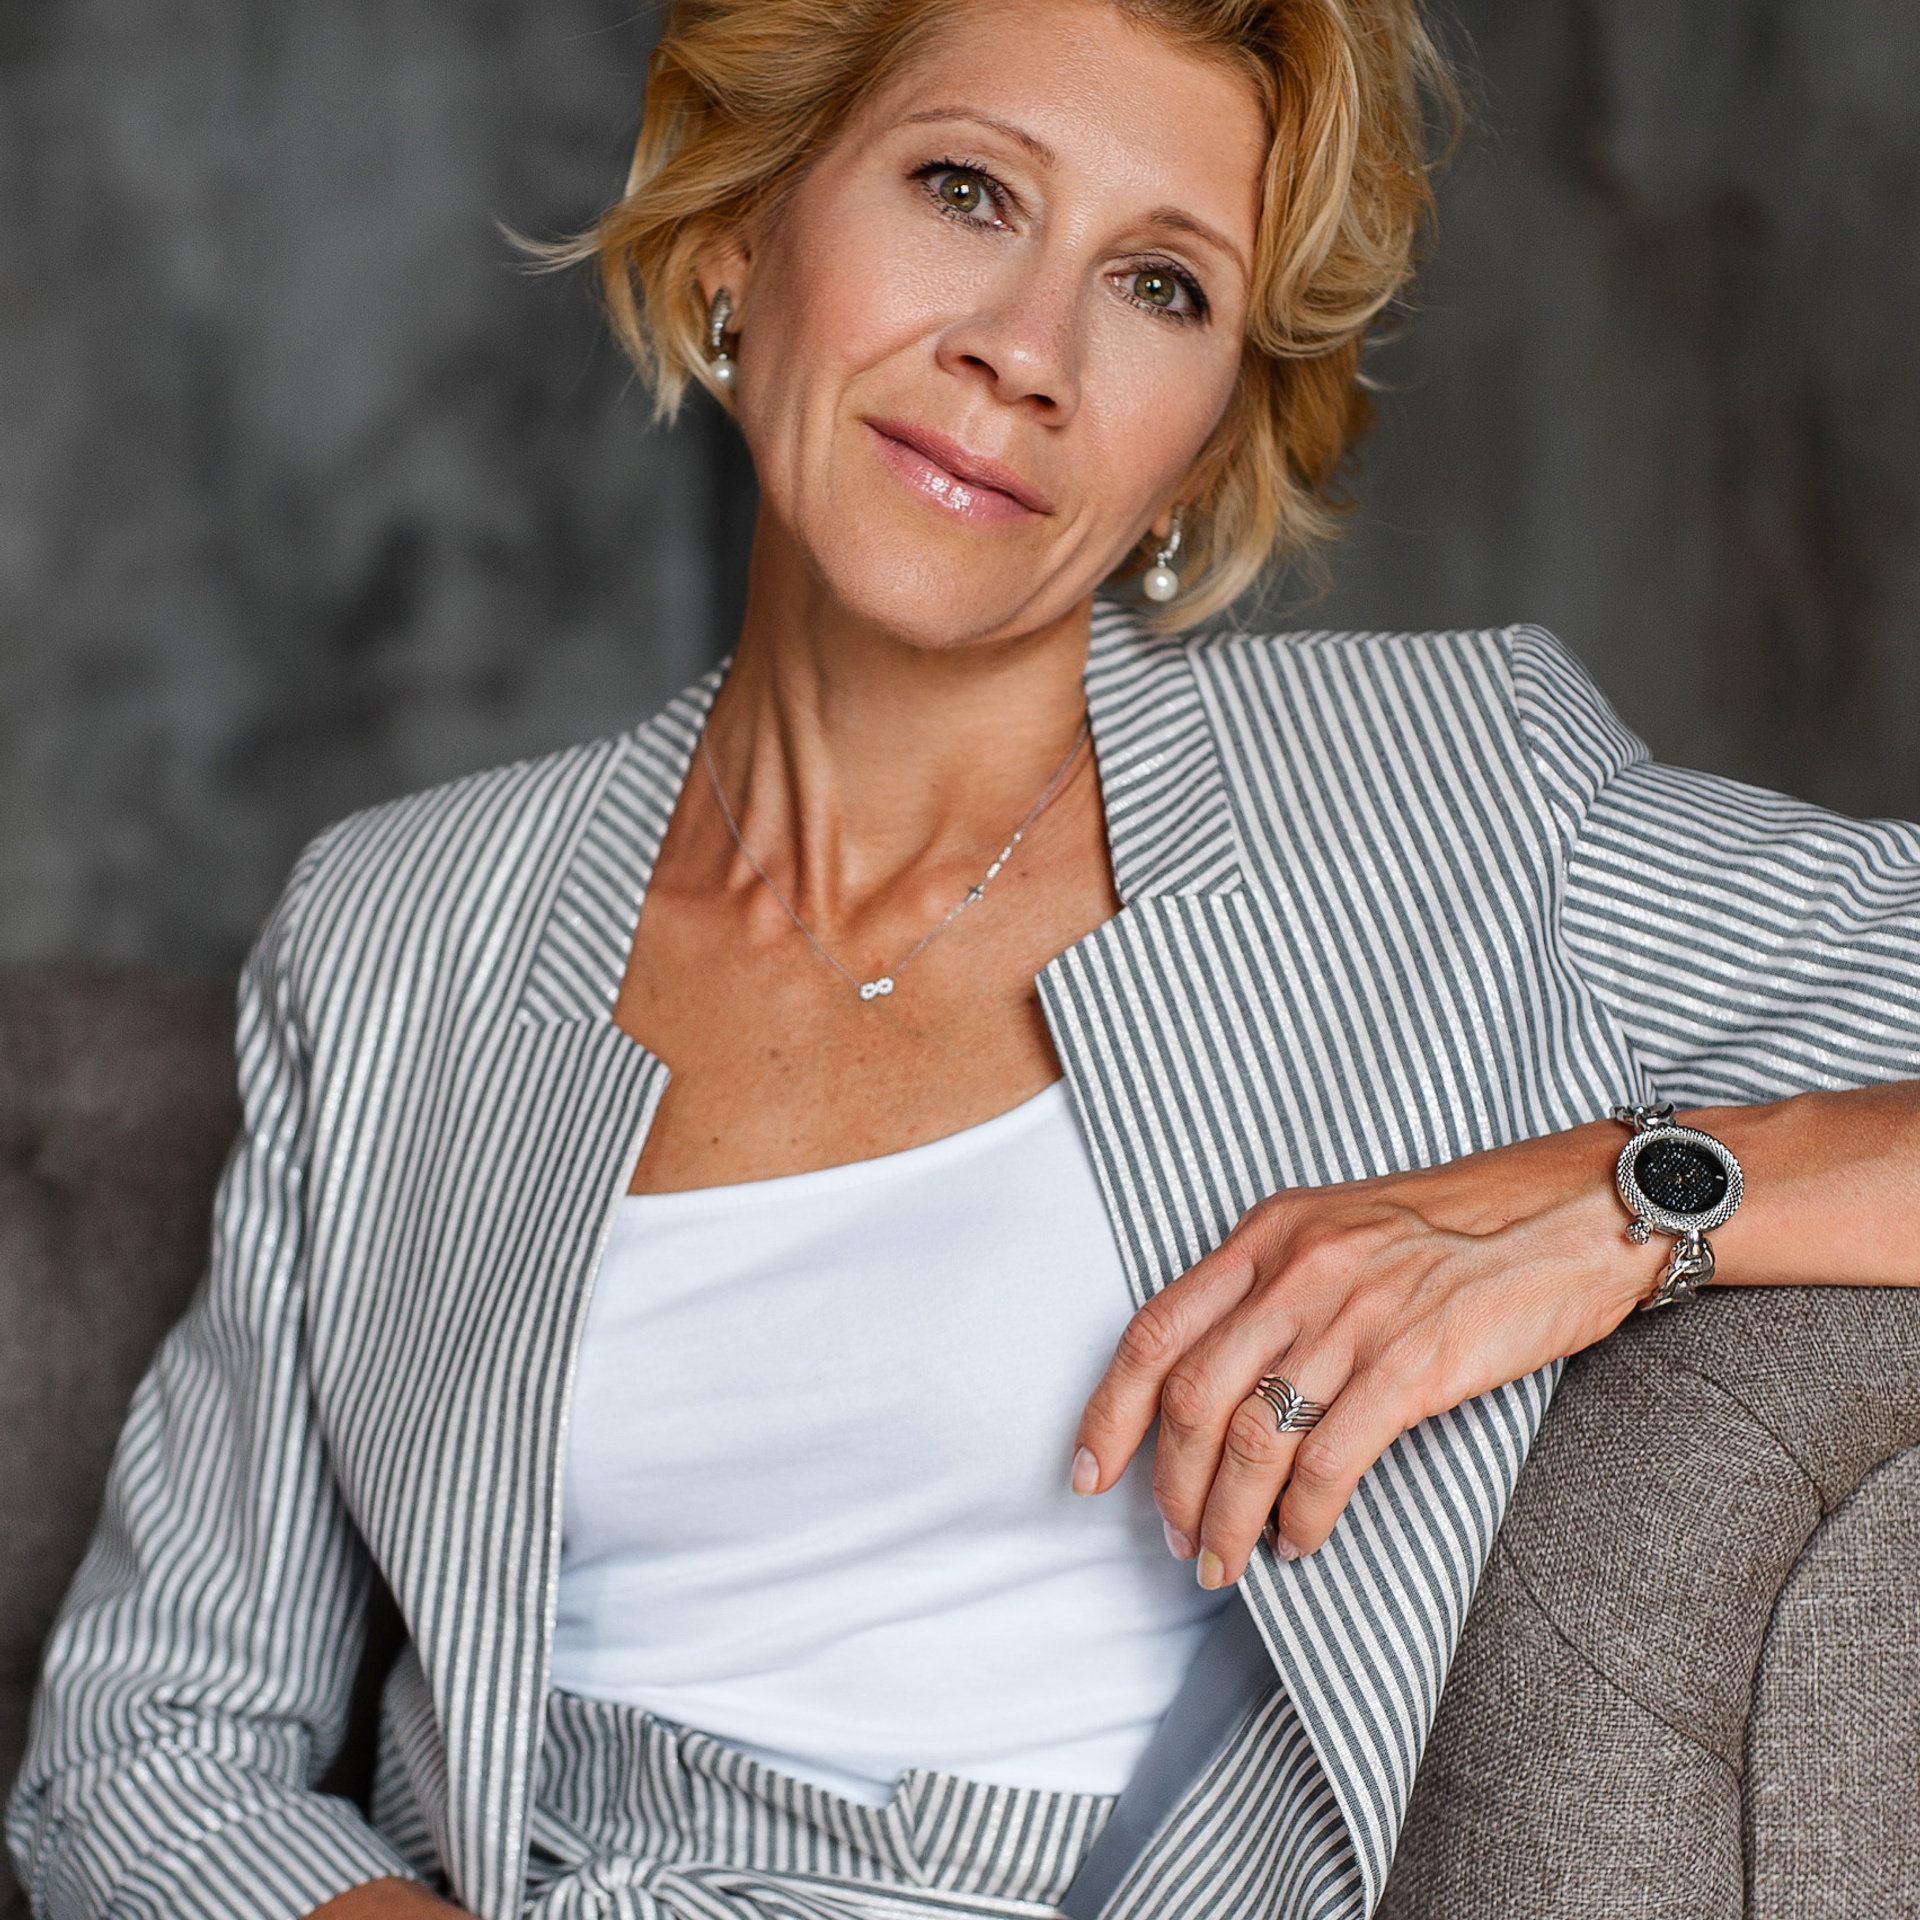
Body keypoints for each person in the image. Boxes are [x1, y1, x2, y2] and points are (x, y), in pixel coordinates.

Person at [9, 1, 1919, 1917]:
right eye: (963, 189)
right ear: (736, 232)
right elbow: (147, 1747)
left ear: (1206, 441)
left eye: (1161, 286)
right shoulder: (401, 930)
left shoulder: (1442, 798)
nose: (1026, 349)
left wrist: (1629, 1198)